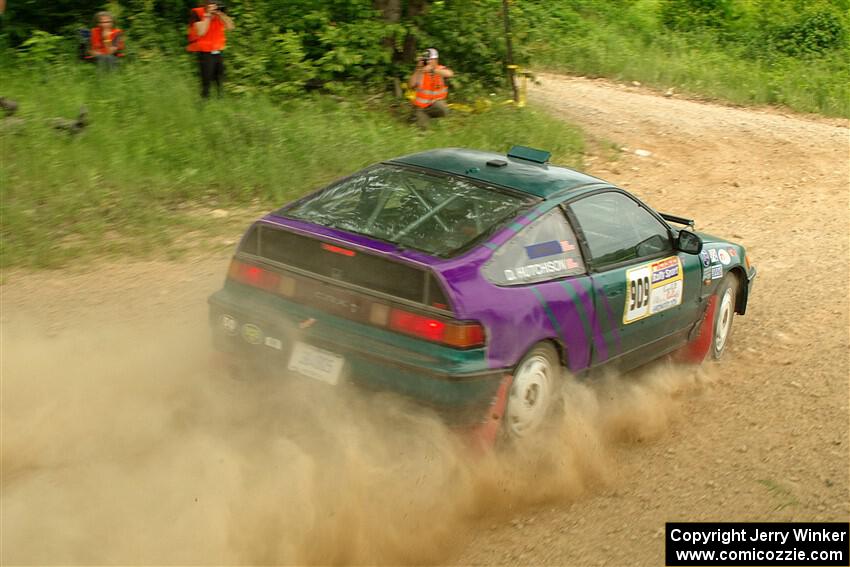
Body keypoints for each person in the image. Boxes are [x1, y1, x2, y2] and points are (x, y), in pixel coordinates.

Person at [187, 1, 235, 98]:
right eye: (212, 4)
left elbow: (231, 27)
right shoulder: (197, 13)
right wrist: (208, 15)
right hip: (205, 52)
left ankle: (220, 101)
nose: (215, 7)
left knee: (220, 80)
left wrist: (221, 14)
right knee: (206, 82)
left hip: (218, 51)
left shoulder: (220, 13)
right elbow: (201, 32)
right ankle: (204, 103)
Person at [409, 48, 454, 129]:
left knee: (443, 109)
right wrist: (418, 69)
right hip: (421, 107)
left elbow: (450, 74)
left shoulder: (440, 69)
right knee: (422, 129)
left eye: (430, 59)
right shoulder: (421, 71)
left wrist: (433, 70)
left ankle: (424, 116)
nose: (428, 61)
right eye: (426, 59)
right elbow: (411, 85)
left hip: (435, 104)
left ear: (436, 60)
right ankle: (416, 116)